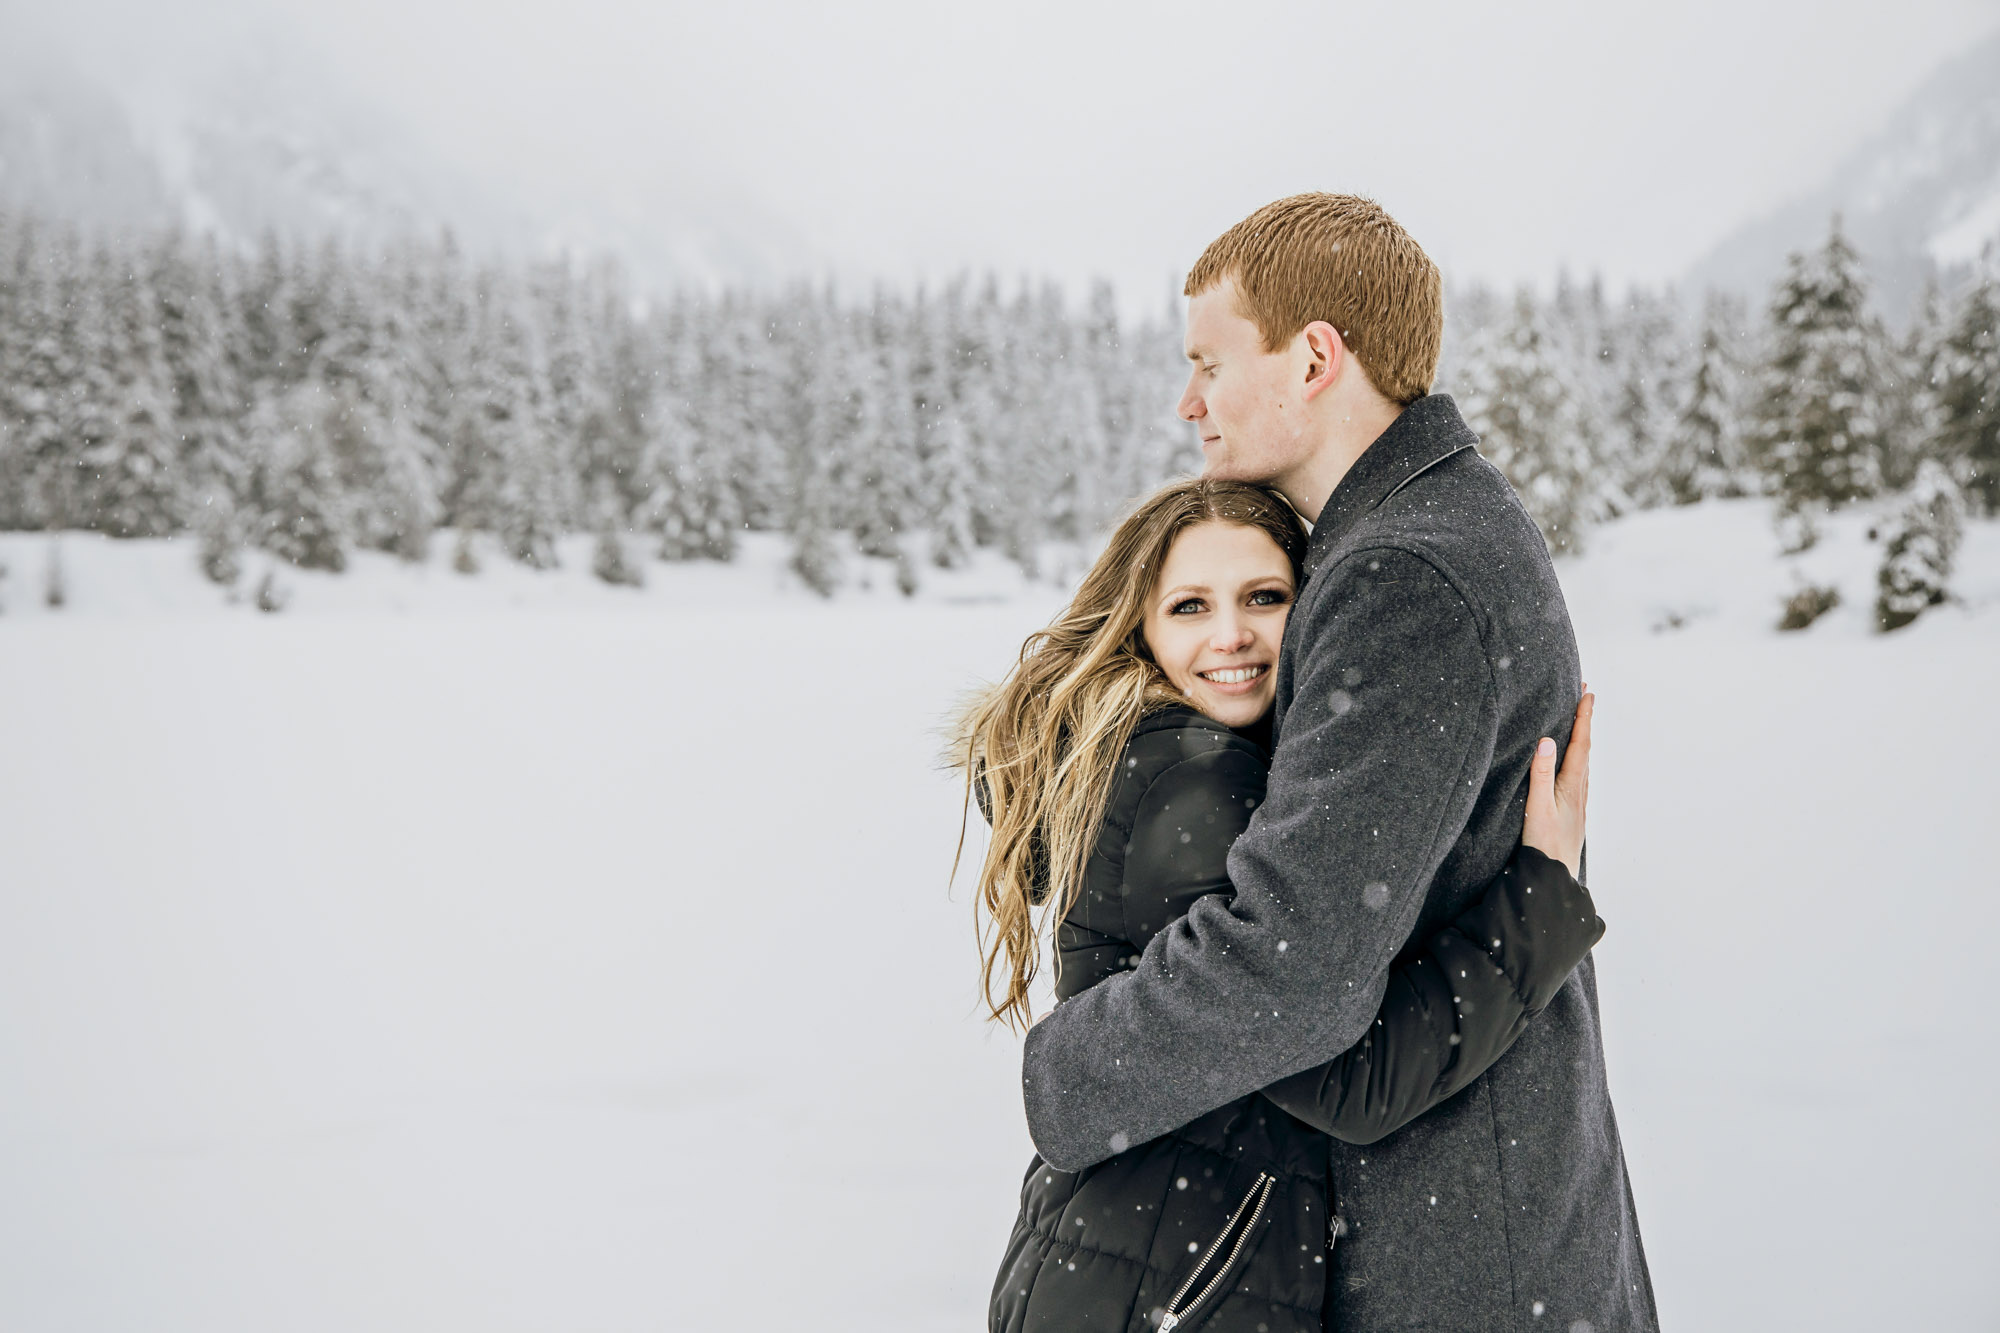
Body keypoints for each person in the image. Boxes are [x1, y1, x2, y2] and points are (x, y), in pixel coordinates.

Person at [1013, 196, 1656, 1330]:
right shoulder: (1423, 525)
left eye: (1208, 361)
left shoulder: (1399, 573)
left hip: (1458, 1252)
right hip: (1483, 1213)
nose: (1188, 400)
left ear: (1313, 358)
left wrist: (1068, 1072)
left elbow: (1290, 971)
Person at [959, 479, 1603, 1330]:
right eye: (1189, 606)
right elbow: (1347, 1076)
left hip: (1122, 1258)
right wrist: (1536, 909)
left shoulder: (1138, 750)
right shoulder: (1195, 778)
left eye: (1265, 597)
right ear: (1139, 626)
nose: (1232, 635)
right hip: (1175, 1282)